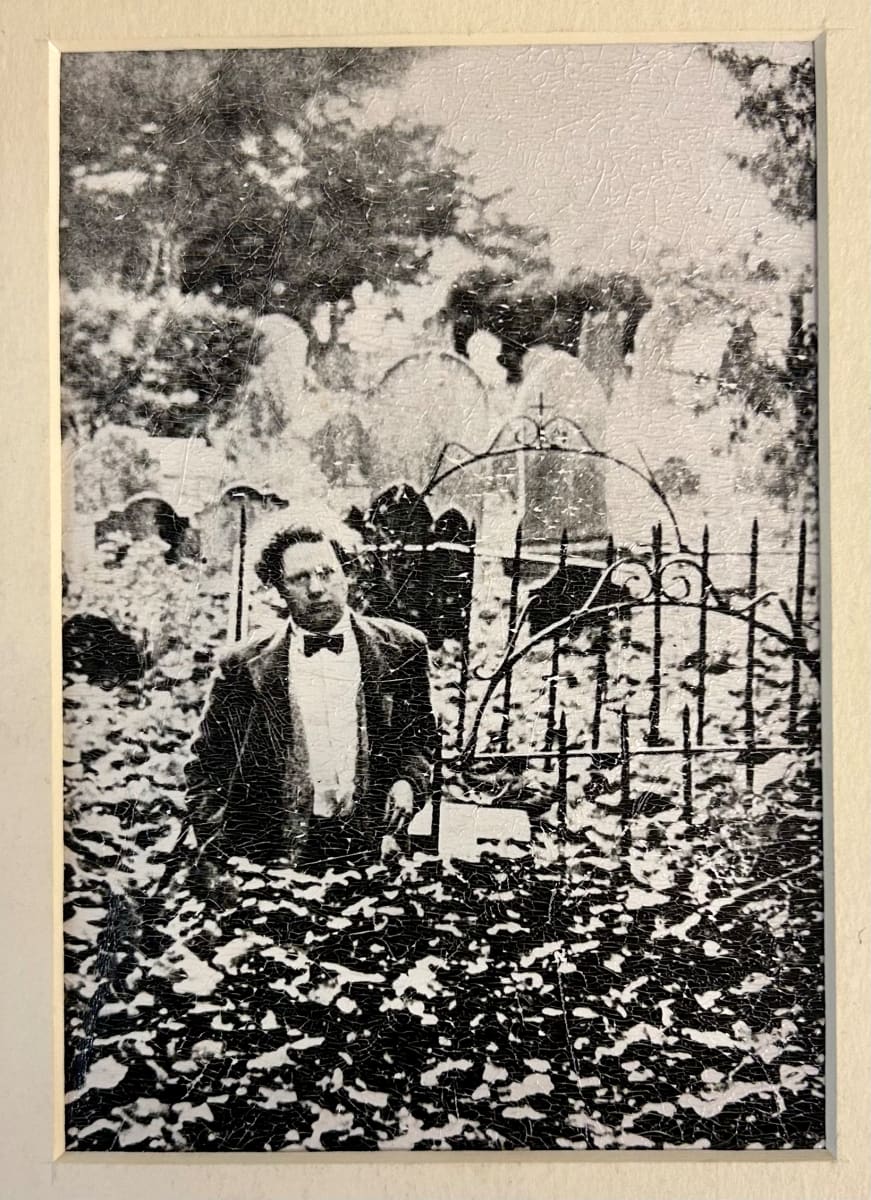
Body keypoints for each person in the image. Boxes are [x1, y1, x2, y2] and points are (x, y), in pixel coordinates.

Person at [184, 513, 436, 890]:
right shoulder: (242, 665)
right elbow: (207, 768)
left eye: (327, 572)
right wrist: (226, 857)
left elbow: (420, 740)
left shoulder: (402, 649)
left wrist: (407, 783)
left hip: (371, 849)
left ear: (347, 573)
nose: (316, 588)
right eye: (299, 578)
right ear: (278, 588)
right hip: (273, 861)